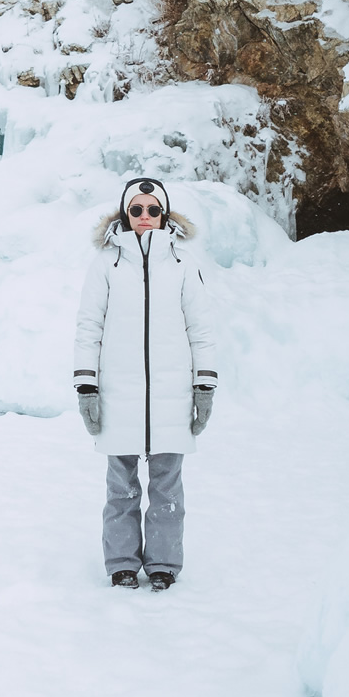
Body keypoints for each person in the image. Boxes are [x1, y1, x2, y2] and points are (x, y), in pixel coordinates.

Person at [73, 177, 217, 591]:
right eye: (136, 210)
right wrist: (87, 386)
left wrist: (204, 386)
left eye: (153, 210)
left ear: (165, 214)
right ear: (124, 214)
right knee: (121, 489)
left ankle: (163, 565)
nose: (145, 217)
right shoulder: (105, 263)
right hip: (119, 395)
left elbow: (201, 329)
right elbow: (88, 327)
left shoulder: (183, 264)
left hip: (171, 398)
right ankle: (121, 562)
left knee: (167, 489)